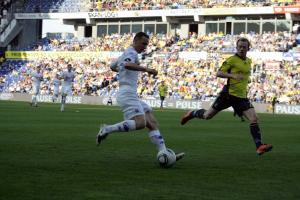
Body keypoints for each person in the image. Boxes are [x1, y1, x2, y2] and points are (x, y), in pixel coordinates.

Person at [96, 32, 184, 162]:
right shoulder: (131, 53)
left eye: (147, 44)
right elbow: (127, 65)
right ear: (135, 40)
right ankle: (107, 129)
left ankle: (164, 152)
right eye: (143, 43)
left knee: (152, 122)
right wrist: (147, 69)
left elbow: (113, 66)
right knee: (141, 123)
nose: (145, 47)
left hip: (131, 93)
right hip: (127, 93)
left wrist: (122, 67)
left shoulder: (128, 53)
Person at [180, 38, 273, 156]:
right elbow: (219, 73)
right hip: (228, 95)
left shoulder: (249, 61)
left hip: (241, 98)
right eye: (239, 46)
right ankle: (192, 113)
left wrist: (245, 80)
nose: (241, 49)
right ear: (236, 47)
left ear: (248, 48)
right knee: (207, 116)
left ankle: (259, 146)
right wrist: (232, 75)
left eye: (244, 47)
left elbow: (243, 76)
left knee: (254, 119)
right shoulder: (232, 60)